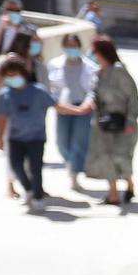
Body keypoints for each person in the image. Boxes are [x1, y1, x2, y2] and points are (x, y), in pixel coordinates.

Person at [0, 55, 55, 213]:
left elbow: (56, 105)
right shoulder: (5, 95)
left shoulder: (38, 91)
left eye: (14, 74)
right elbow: (1, 118)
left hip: (36, 137)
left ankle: (38, 196)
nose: (12, 78)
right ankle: (28, 189)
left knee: (35, 168)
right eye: (9, 75)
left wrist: (79, 110)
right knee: (16, 166)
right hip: (16, 138)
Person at [84, 36, 138, 207]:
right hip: (104, 123)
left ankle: (129, 185)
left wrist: (130, 120)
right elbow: (95, 95)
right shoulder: (98, 73)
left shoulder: (119, 71)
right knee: (106, 157)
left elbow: (132, 97)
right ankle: (113, 194)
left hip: (123, 123)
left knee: (121, 157)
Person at [47, 33, 97, 193]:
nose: (71, 49)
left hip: (83, 108)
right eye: (68, 46)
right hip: (63, 107)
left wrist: (87, 105)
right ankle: (70, 163)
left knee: (79, 141)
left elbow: (92, 89)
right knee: (62, 141)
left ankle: (74, 172)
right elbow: (52, 87)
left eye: (74, 46)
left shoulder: (90, 67)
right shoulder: (54, 64)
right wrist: (55, 103)